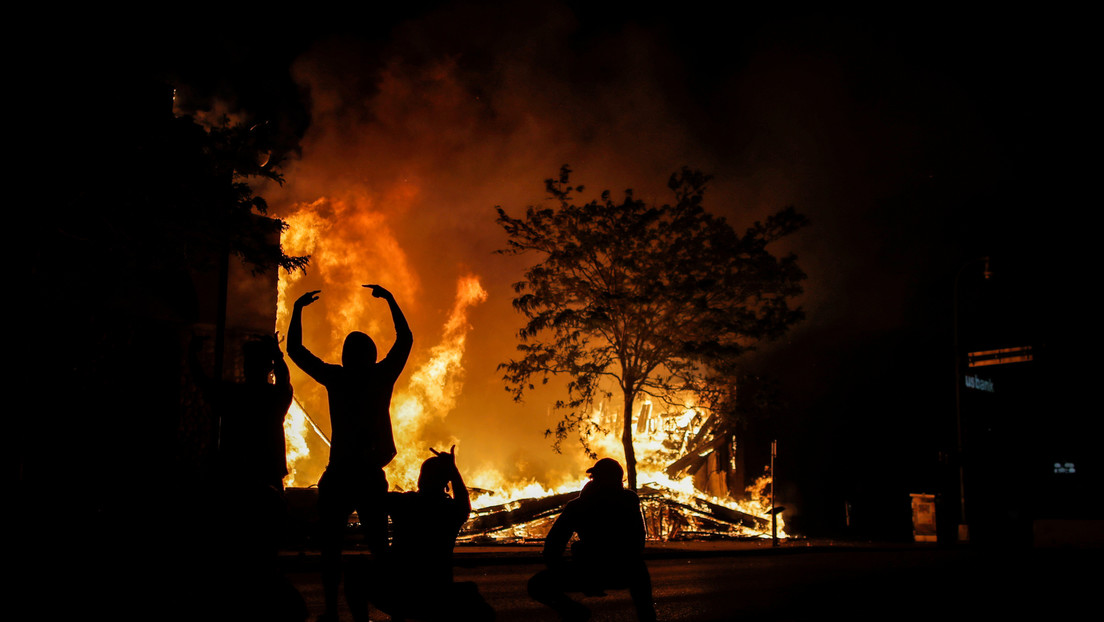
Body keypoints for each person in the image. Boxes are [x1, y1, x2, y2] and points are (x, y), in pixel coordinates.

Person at [286, 284, 412, 622]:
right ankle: (393, 609)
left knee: (331, 549)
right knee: (379, 547)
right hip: (369, 473)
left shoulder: (337, 378)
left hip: (340, 472)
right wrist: (390, 300)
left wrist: (297, 310)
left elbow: (295, 350)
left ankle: (331, 610)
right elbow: (405, 340)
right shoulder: (380, 376)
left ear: (346, 356)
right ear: (371, 355)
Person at [368, 446, 493, 621]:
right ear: (445, 483)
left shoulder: (404, 503)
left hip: (397, 593)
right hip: (437, 594)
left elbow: (372, 497)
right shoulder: (450, 511)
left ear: (421, 479)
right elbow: (463, 503)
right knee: (473, 596)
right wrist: (453, 471)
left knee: (356, 572)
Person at [528, 458, 657, 622]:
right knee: (640, 577)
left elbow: (553, 546)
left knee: (537, 585)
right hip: (623, 570)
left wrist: (565, 568)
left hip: (589, 571)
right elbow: (638, 541)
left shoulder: (579, 505)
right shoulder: (629, 500)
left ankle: (574, 612)